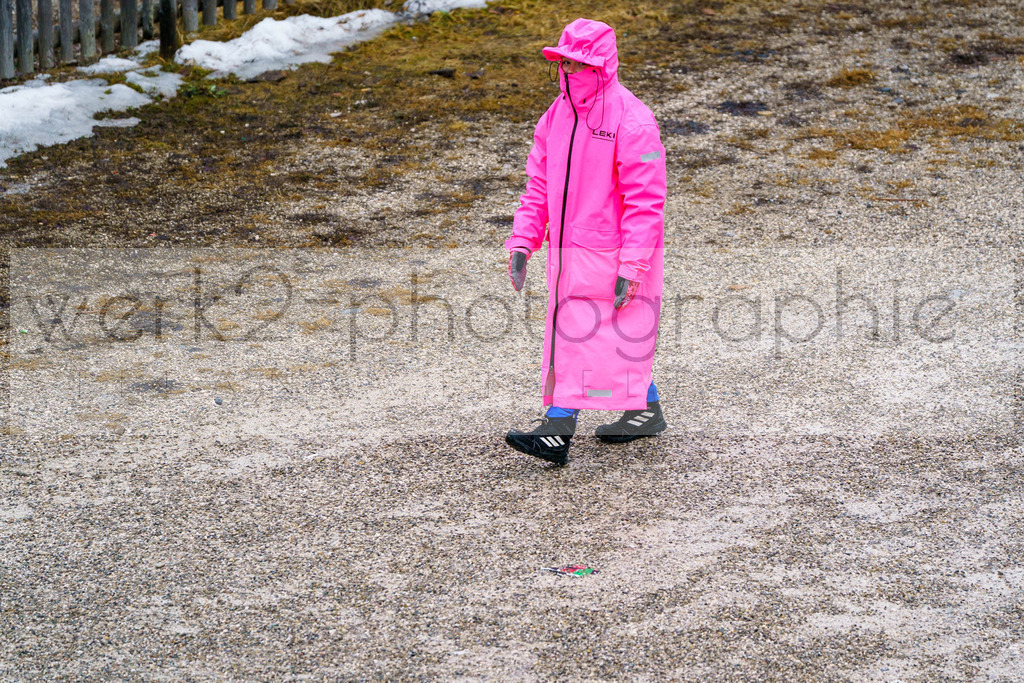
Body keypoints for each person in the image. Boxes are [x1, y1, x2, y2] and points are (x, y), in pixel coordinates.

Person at [504, 18, 667, 466]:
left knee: (583, 337)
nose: (570, 72)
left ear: (602, 66)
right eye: (565, 63)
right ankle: (644, 409)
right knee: (601, 337)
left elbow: (646, 201)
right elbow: (538, 184)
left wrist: (632, 266)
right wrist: (523, 240)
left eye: (579, 64)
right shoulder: (556, 116)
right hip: (567, 254)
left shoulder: (632, 120)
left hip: (612, 254)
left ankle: (557, 429)